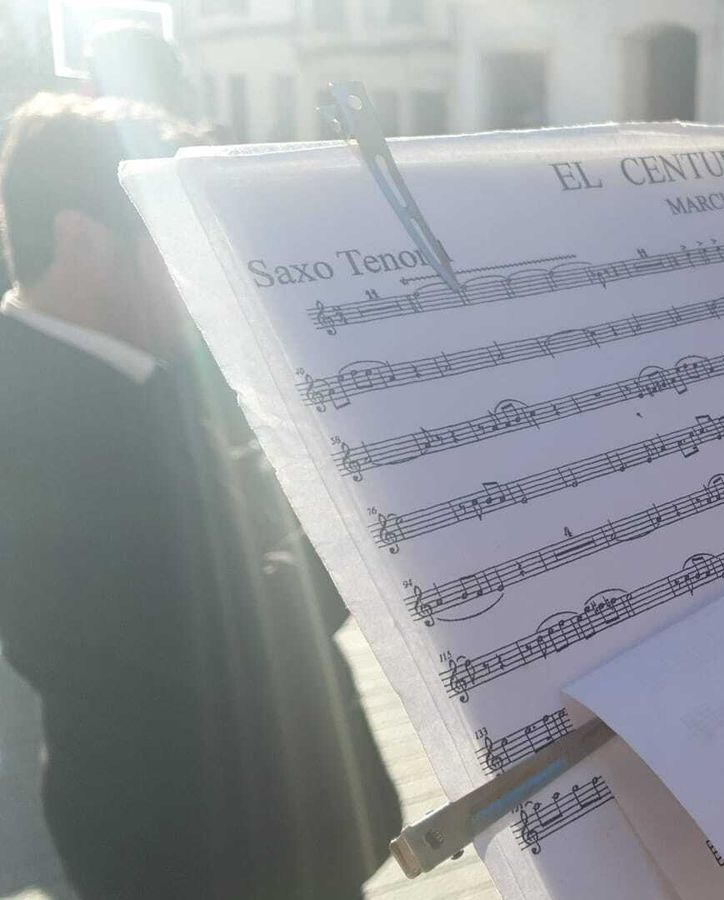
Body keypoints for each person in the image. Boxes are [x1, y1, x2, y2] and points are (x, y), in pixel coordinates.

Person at [0, 94, 400, 898]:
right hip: (191, 856)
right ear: (81, 239)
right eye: (178, 244)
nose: (204, 275)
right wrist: (374, 511)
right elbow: (222, 633)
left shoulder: (144, 355)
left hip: (293, 832)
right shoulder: (22, 415)